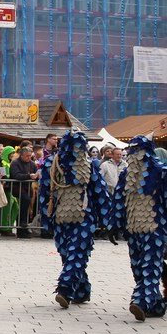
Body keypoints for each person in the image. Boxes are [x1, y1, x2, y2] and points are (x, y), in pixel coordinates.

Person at [39, 131, 110, 309]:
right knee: (66, 254)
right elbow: (45, 192)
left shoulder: (90, 165)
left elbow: (100, 192)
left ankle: (65, 289)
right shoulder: (51, 164)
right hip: (60, 216)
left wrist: (109, 221)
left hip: (84, 216)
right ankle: (82, 290)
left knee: (77, 252)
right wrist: (46, 218)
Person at [109, 136, 167, 321]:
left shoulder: (160, 172)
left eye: (137, 149)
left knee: (150, 266)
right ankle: (156, 304)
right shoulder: (127, 174)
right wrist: (114, 224)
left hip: (155, 228)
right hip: (133, 228)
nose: (134, 154)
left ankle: (140, 302)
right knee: (138, 267)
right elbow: (119, 199)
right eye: (131, 150)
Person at [9, 146, 40, 238]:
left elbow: (36, 173)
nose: (29, 158)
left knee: (28, 206)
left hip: (28, 188)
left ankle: (24, 227)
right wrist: (29, 176)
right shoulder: (15, 163)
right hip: (17, 187)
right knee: (25, 201)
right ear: (21, 155)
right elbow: (15, 175)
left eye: (30, 156)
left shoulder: (32, 164)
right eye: (27, 156)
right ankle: (21, 225)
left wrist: (37, 176)